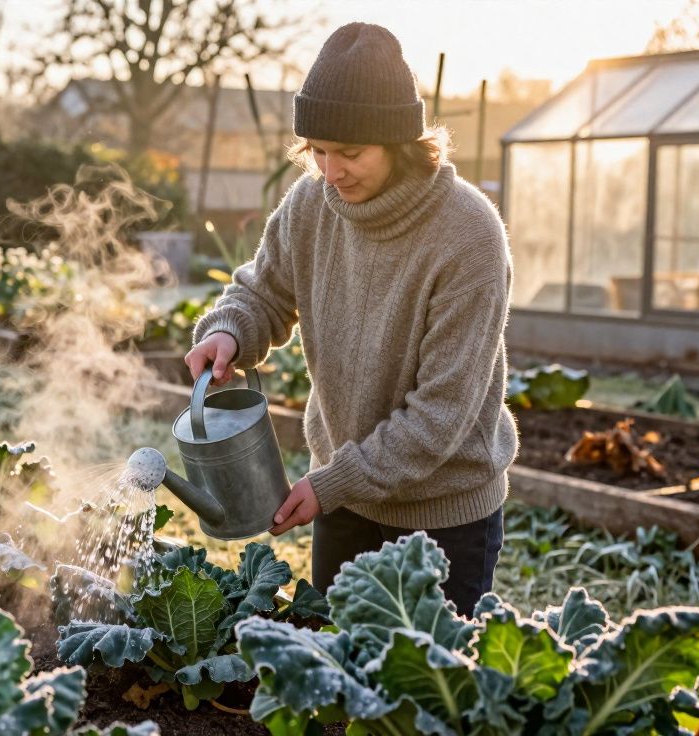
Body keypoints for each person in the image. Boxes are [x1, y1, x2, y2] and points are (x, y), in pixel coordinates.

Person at [183, 22, 516, 616]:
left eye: (351, 152)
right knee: (336, 691)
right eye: (317, 150)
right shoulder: (311, 203)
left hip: (443, 518)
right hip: (344, 504)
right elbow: (263, 291)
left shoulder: (468, 236)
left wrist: (330, 484)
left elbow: (439, 416)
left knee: (425, 700)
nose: (331, 171)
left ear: (401, 141)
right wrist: (228, 331)